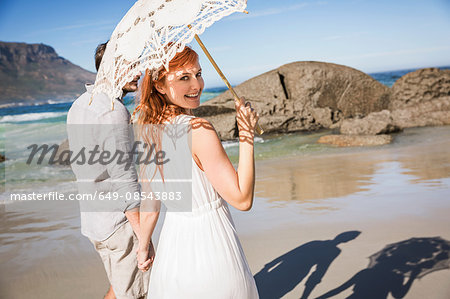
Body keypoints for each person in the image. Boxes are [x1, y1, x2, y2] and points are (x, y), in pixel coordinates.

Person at [135, 46, 259, 298]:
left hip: (172, 255)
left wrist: (143, 246)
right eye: (184, 77)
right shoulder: (199, 129)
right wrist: (246, 134)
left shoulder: (146, 131)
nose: (197, 85)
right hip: (212, 249)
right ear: (159, 86)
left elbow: (150, 204)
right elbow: (242, 199)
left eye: (198, 74)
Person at [67, 42, 152, 299]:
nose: (139, 71)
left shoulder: (79, 105)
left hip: (94, 224)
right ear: (110, 67)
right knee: (138, 293)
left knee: (119, 288)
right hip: (119, 226)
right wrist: (143, 238)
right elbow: (125, 181)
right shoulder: (114, 112)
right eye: (131, 65)